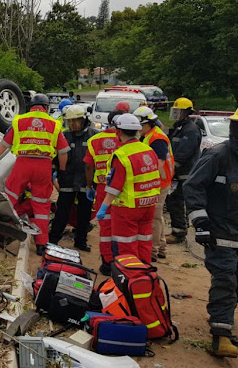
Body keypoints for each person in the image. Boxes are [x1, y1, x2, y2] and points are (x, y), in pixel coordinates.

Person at [183, 101, 238, 358]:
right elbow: (193, 187)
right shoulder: (218, 156)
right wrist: (201, 223)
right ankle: (220, 336)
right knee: (225, 279)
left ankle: (224, 320)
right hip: (220, 234)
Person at [0, 93, 70, 256]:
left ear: (31, 106)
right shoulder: (54, 124)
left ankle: (0, 234)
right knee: (41, 206)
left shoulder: (19, 121)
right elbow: (63, 151)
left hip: (23, 164)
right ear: (46, 108)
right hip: (43, 166)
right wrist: (62, 170)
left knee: (9, 199)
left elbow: (5, 143)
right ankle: (41, 244)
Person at [96, 113, 161, 264]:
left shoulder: (121, 155)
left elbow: (115, 187)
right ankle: (144, 272)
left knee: (126, 244)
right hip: (149, 204)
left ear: (118, 132)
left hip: (128, 208)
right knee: (144, 240)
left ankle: (130, 276)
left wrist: (103, 207)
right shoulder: (148, 149)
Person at [50, 105, 97, 251]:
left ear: (84, 120)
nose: (72, 124)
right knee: (62, 212)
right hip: (67, 180)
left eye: (75, 121)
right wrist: (55, 173)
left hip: (86, 181)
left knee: (84, 213)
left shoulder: (94, 136)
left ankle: (81, 241)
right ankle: (53, 240)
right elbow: (56, 157)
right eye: (70, 121)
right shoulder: (64, 136)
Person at [84, 109, 125, 275]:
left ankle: (107, 262)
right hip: (124, 190)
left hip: (102, 188)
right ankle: (123, 262)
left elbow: (88, 166)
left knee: (106, 227)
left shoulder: (95, 140)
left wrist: (89, 186)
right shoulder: (128, 141)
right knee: (122, 227)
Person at [134, 106, 175, 261]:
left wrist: (144, 180)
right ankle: (162, 247)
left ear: (148, 123)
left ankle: (153, 251)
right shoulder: (148, 135)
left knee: (154, 217)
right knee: (157, 217)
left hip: (159, 182)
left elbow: (158, 163)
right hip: (157, 181)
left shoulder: (157, 138)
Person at [165, 97, 202, 244]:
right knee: (174, 200)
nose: (176, 114)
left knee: (176, 200)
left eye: (178, 111)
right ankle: (179, 229)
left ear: (186, 112)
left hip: (185, 173)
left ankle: (179, 233)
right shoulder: (179, 127)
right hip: (177, 172)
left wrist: (172, 169)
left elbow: (183, 153)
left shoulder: (190, 130)